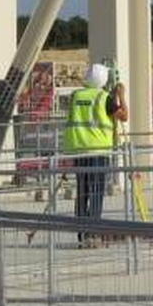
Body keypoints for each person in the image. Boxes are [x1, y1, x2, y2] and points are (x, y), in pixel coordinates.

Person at [62, 61, 127, 245]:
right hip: (98, 151)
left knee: (83, 192)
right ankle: (93, 233)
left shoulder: (76, 96)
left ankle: (82, 234)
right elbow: (124, 115)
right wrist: (121, 95)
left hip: (79, 151)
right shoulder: (104, 97)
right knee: (97, 192)